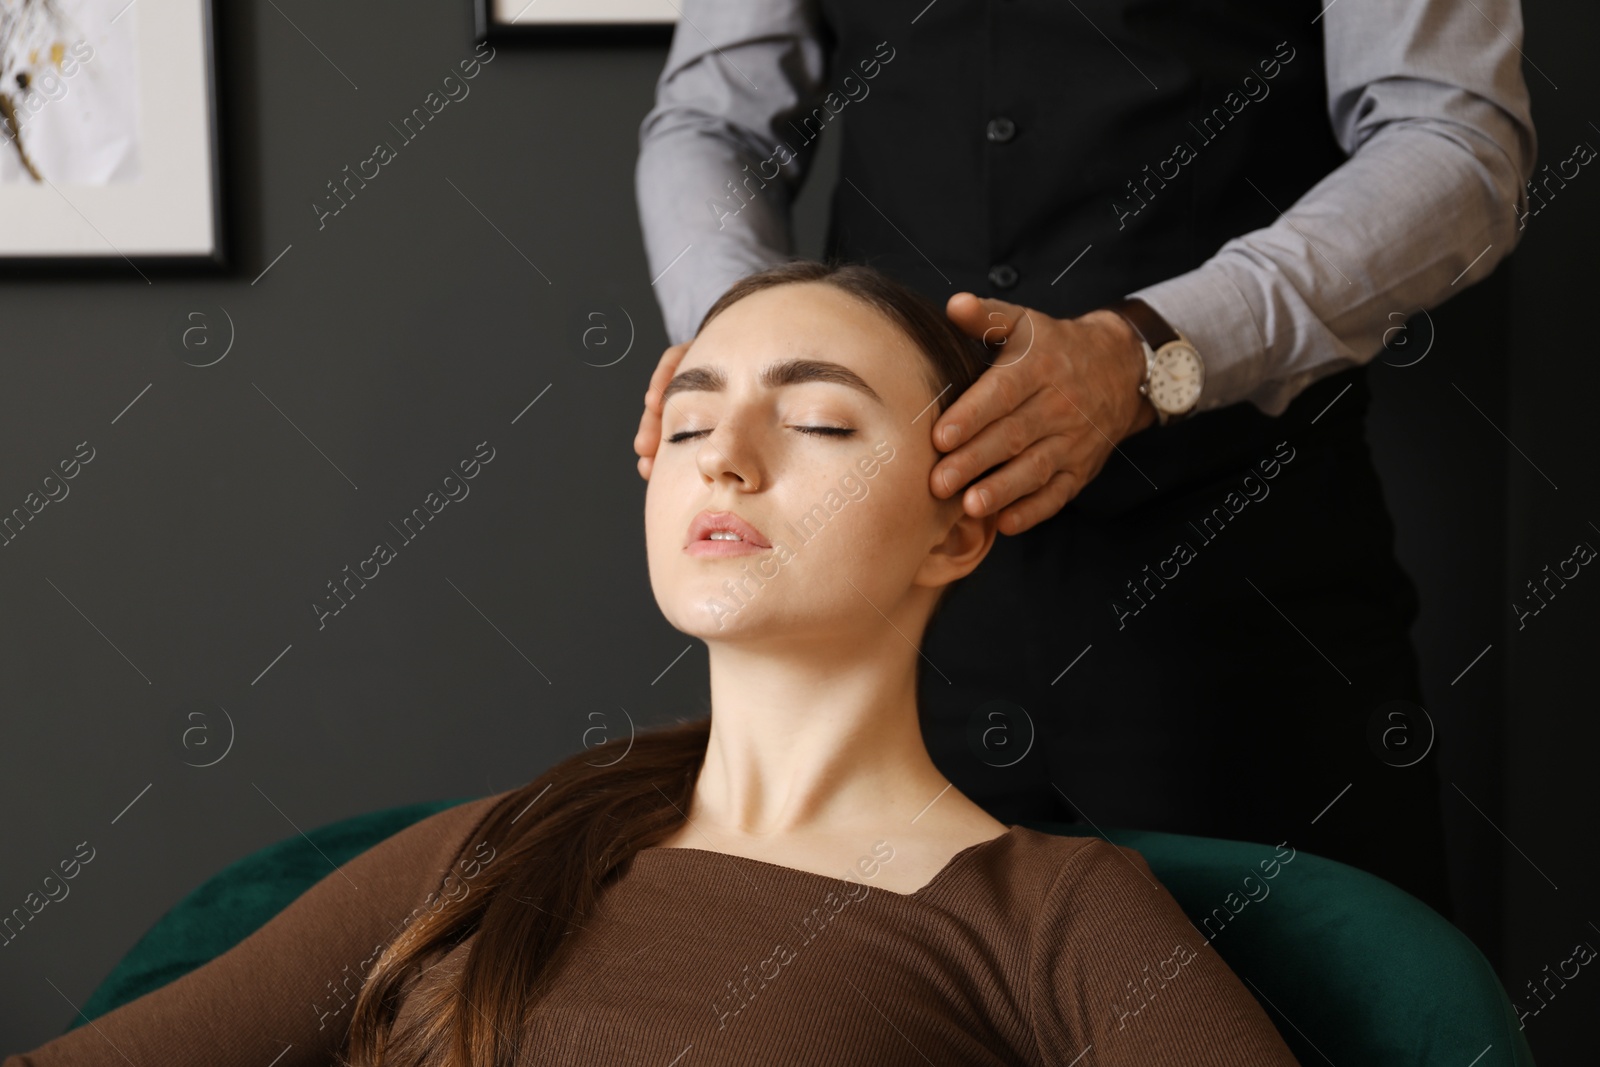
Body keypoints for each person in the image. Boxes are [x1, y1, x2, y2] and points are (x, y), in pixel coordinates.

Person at [2, 262, 1302, 1066]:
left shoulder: (1053, 910)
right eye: (687, 421)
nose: (725, 455)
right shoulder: (507, 840)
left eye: (814, 416)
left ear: (958, 522)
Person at [632, 0, 1540, 919]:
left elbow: (1458, 143)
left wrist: (1149, 354)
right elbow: (713, 119)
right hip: (889, 621)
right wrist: (737, 351)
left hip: (1239, 597)